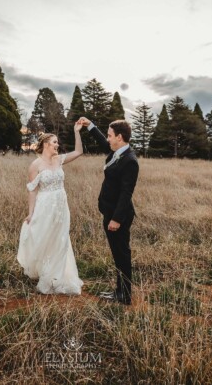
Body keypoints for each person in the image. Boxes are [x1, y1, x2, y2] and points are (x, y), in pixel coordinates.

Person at [17, 123, 84, 295]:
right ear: (46, 144)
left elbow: (78, 152)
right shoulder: (35, 165)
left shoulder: (59, 159)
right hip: (45, 206)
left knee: (61, 239)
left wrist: (77, 132)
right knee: (45, 238)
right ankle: (45, 273)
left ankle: (59, 275)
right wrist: (31, 213)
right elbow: (32, 190)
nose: (57, 145)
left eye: (57, 143)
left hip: (61, 206)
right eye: (54, 142)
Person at [78, 117, 139, 305]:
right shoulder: (117, 152)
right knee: (117, 254)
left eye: (110, 135)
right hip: (109, 213)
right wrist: (90, 126)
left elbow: (126, 193)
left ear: (119, 137)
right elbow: (103, 143)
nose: (108, 138)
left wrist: (116, 219)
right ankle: (119, 292)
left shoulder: (130, 160)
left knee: (122, 255)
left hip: (117, 217)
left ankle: (125, 295)